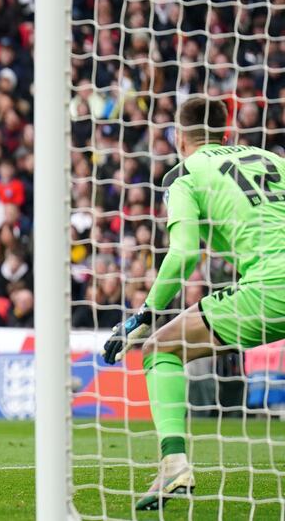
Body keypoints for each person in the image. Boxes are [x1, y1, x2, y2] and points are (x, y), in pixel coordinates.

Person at [103, 96, 285, 511]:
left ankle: (174, 465)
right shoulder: (271, 159)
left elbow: (184, 253)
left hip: (272, 287)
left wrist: (145, 313)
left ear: (181, 138)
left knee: (161, 347)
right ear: (226, 132)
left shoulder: (186, 174)